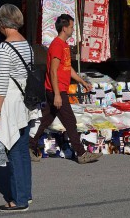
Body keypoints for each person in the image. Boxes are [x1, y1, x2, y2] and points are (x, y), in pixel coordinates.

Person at [29, 14, 103, 164]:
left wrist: (82, 81)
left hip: (56, 90)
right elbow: (53, 71)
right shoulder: (57, 45)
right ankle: (81, 154)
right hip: (56, 90)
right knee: (70, 120)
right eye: (71, 27)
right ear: (64, 28)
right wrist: (57, 94)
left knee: (46, 119)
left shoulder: (64, 46)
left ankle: (30, 145)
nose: (72, 30)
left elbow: (67, 69)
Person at [0, 4, 33, 213]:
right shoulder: (26, 44)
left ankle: (19, 200)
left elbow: (1, 84)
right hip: (26, 103)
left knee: (15, 152)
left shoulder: (5, 48)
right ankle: (26, 193)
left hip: (11, 103)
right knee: (23, 151)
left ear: (2, 23)